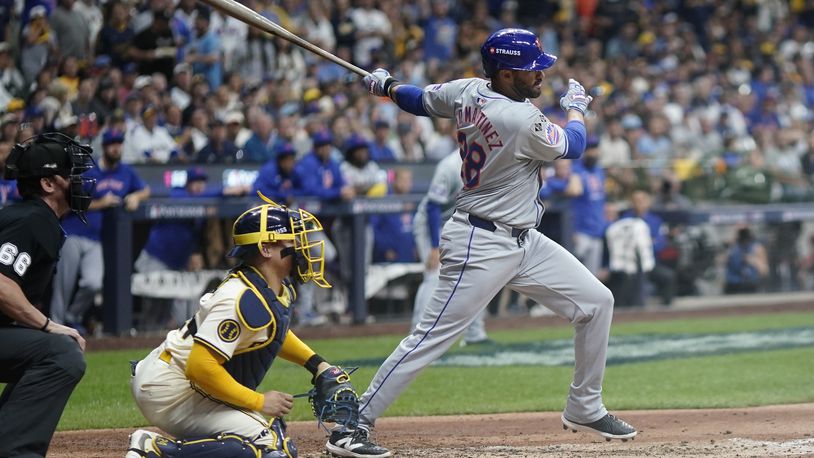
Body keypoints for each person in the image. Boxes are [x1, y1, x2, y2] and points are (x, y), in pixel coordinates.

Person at [327, 28, 637, 457]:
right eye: (531, 71)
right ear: (506, 74)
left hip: (524, 240)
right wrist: (578, 109)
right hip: (480, 242)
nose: (540, 76)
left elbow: (419, 100)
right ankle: (351, 423)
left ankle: (584, 405)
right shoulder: (520, 119)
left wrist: (387, 86)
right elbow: (575, 145)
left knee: (597, 302)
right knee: (430, 337)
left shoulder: (467, 89)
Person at [125, 197, 345, 458]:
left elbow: (272, 332)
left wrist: (316, 364)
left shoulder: (271, 288)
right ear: (265, 248)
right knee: (271, 449)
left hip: (184, 382)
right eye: (291, 241)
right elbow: (200, 366)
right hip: (171, 388)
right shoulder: (240, 297)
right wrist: (260, 402)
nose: (301, 247)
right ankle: (156, 449)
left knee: (274, 436)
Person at [0, 132, 92, 457]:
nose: (79, 181)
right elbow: (1, 285)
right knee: (61, 353)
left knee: (50, 349)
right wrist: (48, 325)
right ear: (48, 184)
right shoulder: (33, 220)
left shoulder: (31, 218)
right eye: (70, 174)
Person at [51, 130, 150, 331]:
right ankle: (55, 324)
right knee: (63, 284)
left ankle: (73, 316)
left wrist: (136, 197)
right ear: (104, 147)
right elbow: (69, 204)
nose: (116, 147)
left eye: (119, 143)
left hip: (96, 238)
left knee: (93, 282)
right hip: (74, 232)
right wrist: (100, 203)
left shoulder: (125, 171)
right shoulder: (89, 169)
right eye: (112, 144)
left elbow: (146, 189)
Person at [410, 151, 489, 346]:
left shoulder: (489, 159)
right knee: (434, 276)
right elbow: (432, 207)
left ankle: (474, 333)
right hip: (431, 223)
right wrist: (435, 247)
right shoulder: (449, 165)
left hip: (459, 223)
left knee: (476, 273)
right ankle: (416, 337)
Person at [570, 138, 607, 276]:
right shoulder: (575, 170)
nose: (593, 153)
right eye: (590, 150)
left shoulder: (599, 171)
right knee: (573, 273)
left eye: (595, 150)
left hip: (596, 231)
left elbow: (601, 200)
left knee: (592, 277)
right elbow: (571, 201)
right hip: (580, 231)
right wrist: (572, 230)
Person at [723, 226, 769, 294]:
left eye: (745, 235)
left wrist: (753, 260)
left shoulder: (756, 248)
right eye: (741, 235)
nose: (743, 240)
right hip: (733, 285)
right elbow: (721, 261)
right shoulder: (733, 249)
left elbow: (765, 270)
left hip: (751, 285)